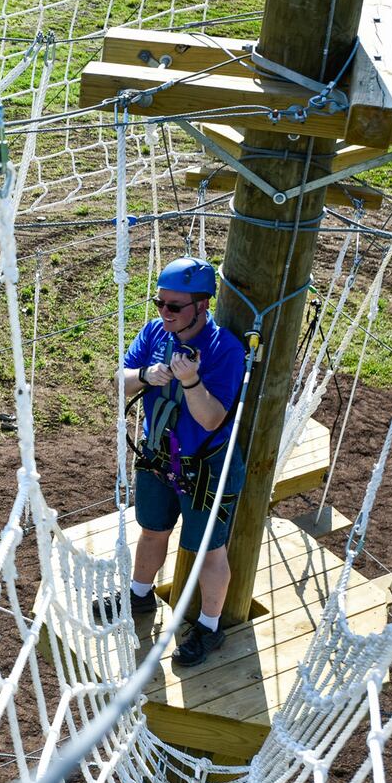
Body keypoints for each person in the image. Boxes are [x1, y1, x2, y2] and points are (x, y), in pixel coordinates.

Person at [104, 255, 247, 668]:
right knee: (152, 530)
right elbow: (121, 381)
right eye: (160, 304)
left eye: (174, 307)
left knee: (208, 550)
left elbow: (212, 417)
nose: (164, 313)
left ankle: (209, 625)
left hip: (207, 466)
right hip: (157, 456)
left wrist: (190, 381)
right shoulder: (155, 333)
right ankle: (139, 595)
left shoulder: (225, 349)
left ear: (202, 306)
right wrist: (147, 375)